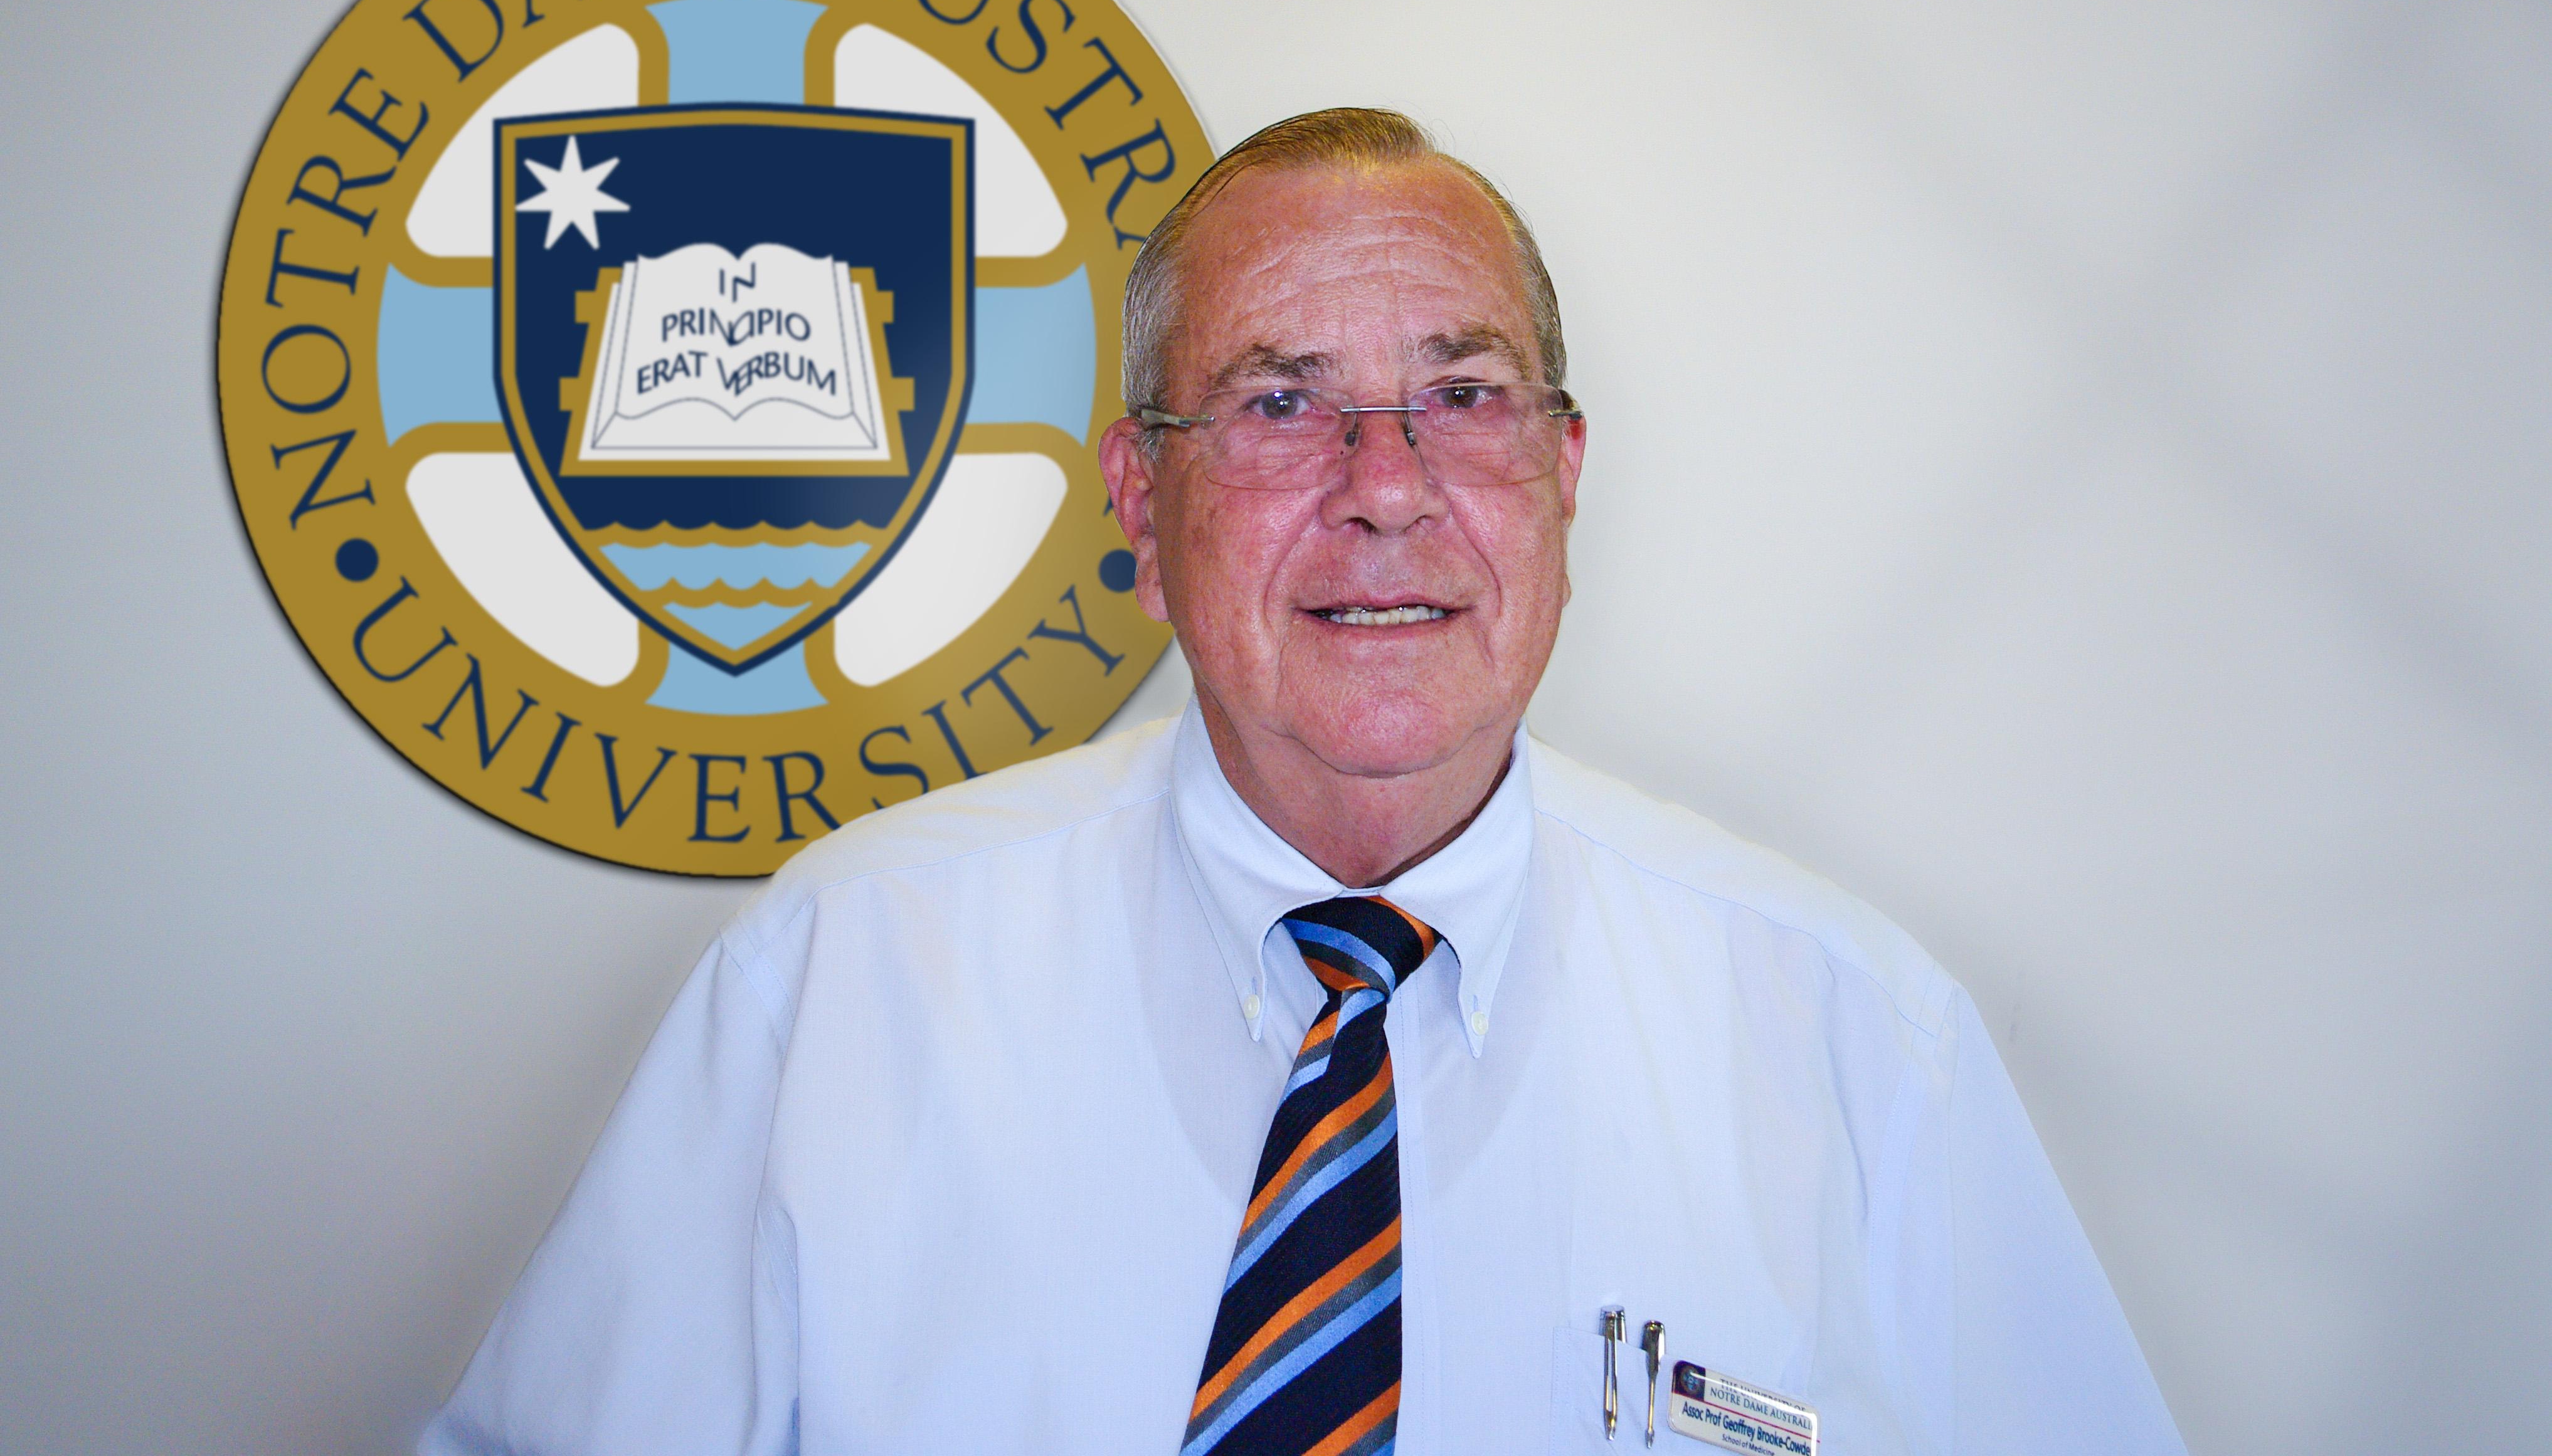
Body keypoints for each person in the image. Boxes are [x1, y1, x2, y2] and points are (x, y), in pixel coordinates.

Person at [422, 109, 2184, 1455]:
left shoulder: (1854, 1036)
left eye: (1464, 396)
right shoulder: (839, 981)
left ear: (1565, 473)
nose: (1388, 487)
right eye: (1279, 404)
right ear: (1139, 496)